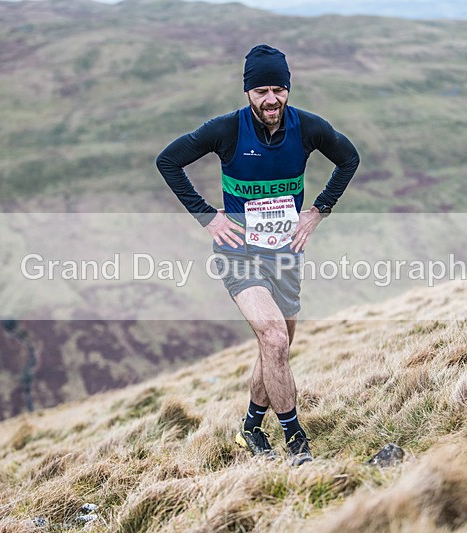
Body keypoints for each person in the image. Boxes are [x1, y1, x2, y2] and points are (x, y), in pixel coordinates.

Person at [156, 44, 359, 466]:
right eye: (261, 90)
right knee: (274, 337)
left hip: (285, 254)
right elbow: (168, 161)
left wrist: (318, 211)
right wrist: (207, 217)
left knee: (277, 347)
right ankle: (297, 444)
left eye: (278, 89)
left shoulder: (308, 128)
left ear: (288, 89)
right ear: (248, 91)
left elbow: (349, 159)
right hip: (239, 252)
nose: (271, 99)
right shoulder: (227, 130)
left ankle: (250, 428)